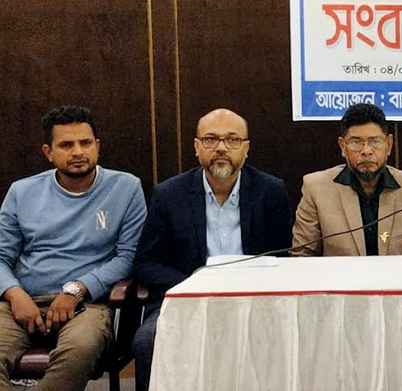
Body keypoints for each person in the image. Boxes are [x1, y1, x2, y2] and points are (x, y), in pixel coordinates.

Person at [132, 108, 292, 391]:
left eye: (232, 140)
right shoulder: (169, 194)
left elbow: (283, 257)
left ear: (246, 149)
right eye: (210, 139)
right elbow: (146, 262)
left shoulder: (270, 191)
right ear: (196, 147)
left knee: (286, 338)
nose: (221, 148)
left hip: (253, 301)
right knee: (148, 341)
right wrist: (194, 285)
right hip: (187, 301)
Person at [0, 106, 145, 391]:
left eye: (85, 143)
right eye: (66, 145)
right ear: (49, 152)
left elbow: (128, 257)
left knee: (79, 349)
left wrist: (77, 290)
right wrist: (15, 295)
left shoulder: (126, 188)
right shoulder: (21, 192)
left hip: (87, 305)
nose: (78, 152)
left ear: (97, 146)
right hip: (23, 301)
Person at [291, 103, 402, 256]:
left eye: (375, 141)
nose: (366, 151)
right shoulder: (316, 189)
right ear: (343, 146)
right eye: (356, 142)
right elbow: (302, 257)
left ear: (389, 145)